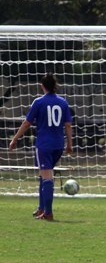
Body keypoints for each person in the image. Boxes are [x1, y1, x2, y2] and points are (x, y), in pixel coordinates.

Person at [9, 73, 73, 221]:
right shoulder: (63, 103)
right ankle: (41, 208)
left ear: (42, 86)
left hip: (44, 145)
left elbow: (27, 123)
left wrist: (15, 138)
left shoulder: (38, 102)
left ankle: (48, 213)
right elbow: (68, 125)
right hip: (58, 145)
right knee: (43, 175)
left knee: (47, 177)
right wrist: (69, 144)